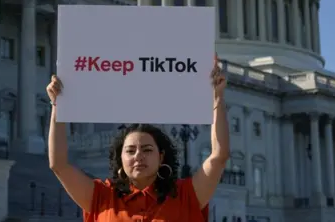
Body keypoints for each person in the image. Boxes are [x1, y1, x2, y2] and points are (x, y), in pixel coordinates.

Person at [46, 55, 229, 222]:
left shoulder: (186, 195)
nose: (138, 156)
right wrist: (58, 105)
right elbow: (59, 165)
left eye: (147, 149)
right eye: (130, 150)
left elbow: (219, 156)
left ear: (161, 157)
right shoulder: (101, 196)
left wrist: (216, 100)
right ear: (121, 159)